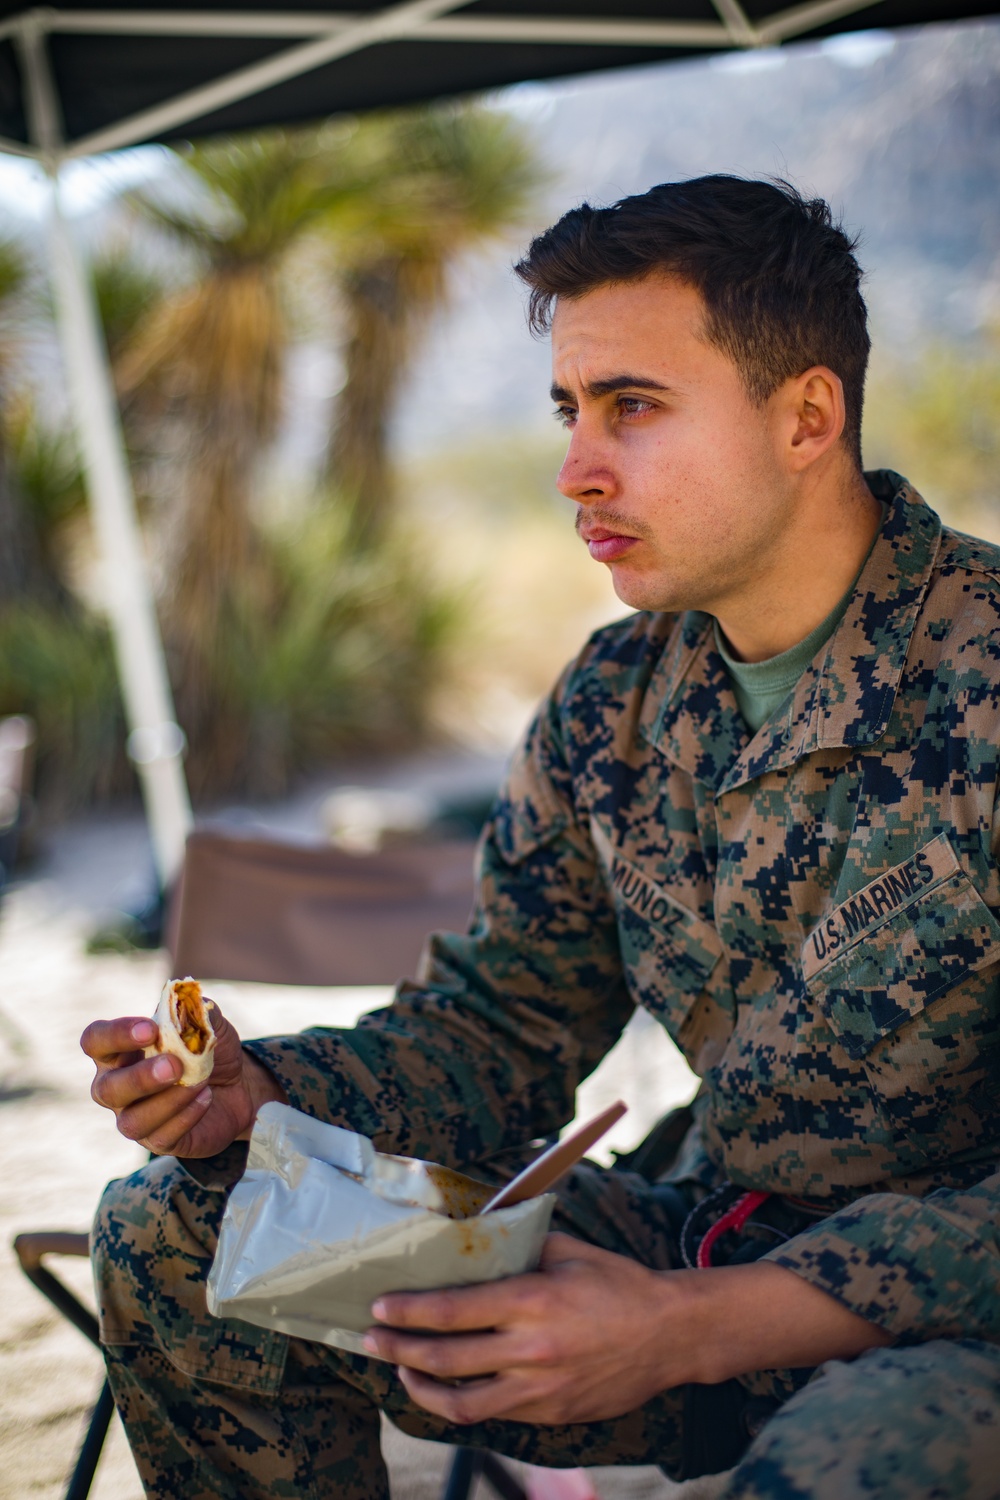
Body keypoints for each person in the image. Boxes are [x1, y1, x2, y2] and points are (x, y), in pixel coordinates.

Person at [82, 176, 1000, 1500]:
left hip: (945, 1324)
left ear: (807, 417)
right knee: (182, 1232)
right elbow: (499, 1031)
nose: (576, 468)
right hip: (699, 1235)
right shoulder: (612, 703)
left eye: (634, 406)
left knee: (860, 1463)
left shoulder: (978, 673)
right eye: (570, 410)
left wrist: (688, 1330)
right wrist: (262, 1094)